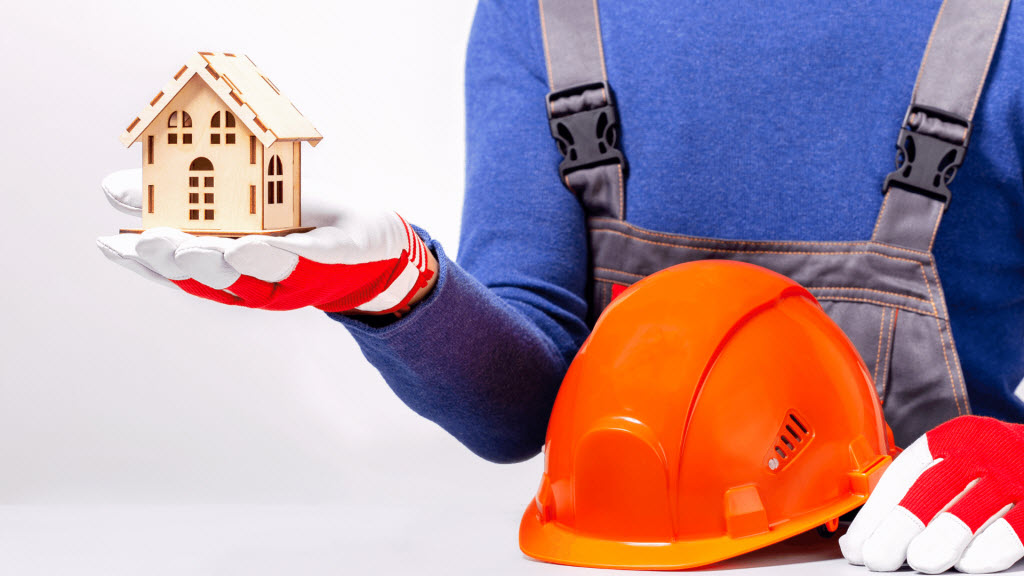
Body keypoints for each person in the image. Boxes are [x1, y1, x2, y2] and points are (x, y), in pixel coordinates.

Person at [99, 0, 1024, 572]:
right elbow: (522, 408)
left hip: (930, 559)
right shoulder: (544, 9)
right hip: (614, 560)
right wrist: (394, 287)